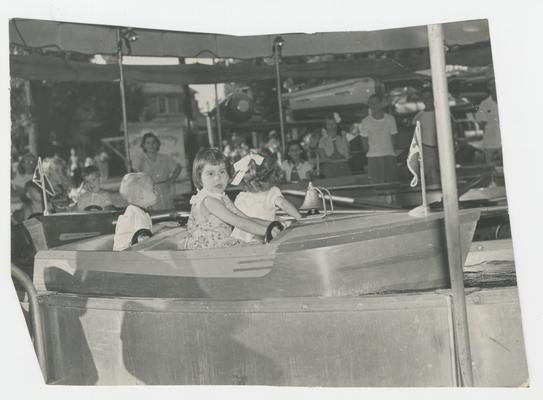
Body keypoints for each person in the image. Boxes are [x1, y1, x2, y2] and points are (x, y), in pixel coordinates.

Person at [180, 148, 282, 250]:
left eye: (222, 172)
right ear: (199, 178)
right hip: (206, 249)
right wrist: (267, 230)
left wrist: (271, 224)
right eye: (210, 173)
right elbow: (238, 222)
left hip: (220, 245)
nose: (217, 178)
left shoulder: (223, 198)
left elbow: (246, 218)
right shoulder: (208, 200)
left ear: (228, 175)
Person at [232, 153, 302, 243]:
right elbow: (284, 205)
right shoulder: (270, 194)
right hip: (263, 235)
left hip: (242, 237)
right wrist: (300, 218)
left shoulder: (241, 197)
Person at [133, 132, 182, 210]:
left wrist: (171, 181)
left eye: (153, 142)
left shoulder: (165, 158)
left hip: (165, 190)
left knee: (168, 214)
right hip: (149, 192)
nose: (151, 145)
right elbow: (135, 175)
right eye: (148, 143)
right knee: (154, 215)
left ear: (157, 144)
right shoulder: (140, 159)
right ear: (144, 145)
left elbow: (178, 167)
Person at [358, 94, 399, 184]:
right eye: (371, 104)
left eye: (376, 103)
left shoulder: (390, 119)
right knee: (377, 186)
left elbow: (394, 140)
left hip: (389, 156)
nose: (374, 106)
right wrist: (371, 153)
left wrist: (390, 152)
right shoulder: (365, 122)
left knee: (392, 185)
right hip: (373, 158)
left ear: (381, 104)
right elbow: (364, 143)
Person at [113, 173, 157, 251]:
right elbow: (145, 242)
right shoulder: (137, 215)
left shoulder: (133, 211)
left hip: (122, 254)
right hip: (128, 256)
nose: (156, 193)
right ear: (141, 195)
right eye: (153, 190)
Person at [411, 88, 440, 184]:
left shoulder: (441, 113)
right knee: (427, 175)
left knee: (441, 173)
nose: (427, 100)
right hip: (425, 149)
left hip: (440, 150)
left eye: (429, 97)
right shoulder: (418, 116)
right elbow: (414, 136)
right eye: (424, 98)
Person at [475, 78, 502, 166]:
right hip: (490, 143)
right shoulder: (484, 104)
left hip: (503, 142)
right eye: (491, 85)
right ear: (488, 87)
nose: (493, 87)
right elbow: (480, 123)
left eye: (495, 84)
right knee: (491, 168)